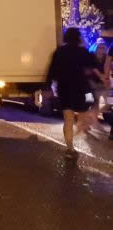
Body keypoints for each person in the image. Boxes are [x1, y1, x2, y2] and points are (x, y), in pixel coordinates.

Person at [45, 27, 97, 157]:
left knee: (68, 119)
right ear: (78, 38)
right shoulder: (82, 51)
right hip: (82, 89)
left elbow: (51, 71)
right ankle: (82, 124)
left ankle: (70, 148)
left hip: (64, 89)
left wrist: (47, 87)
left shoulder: (59, 52)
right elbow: (93, 64)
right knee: (87, 108)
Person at [88, 41, 110, 135]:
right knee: (93, 103)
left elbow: (108, 68)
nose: (102, 49)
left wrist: (106, 79)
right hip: (91, 84)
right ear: (95, 48)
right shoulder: (91, 57)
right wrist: (103, 77)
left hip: (103, 83)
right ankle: (94, 122)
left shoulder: (106, 58)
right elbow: (95, 70)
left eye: (103, 47)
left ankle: (92, 116)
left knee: (109, 102)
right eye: (100, 47)